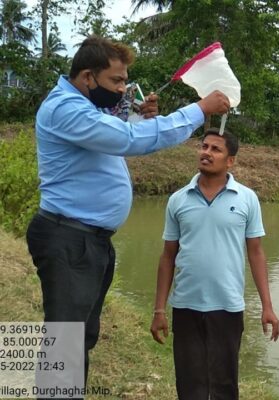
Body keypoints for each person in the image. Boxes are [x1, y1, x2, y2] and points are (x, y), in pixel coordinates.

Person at [25, 35, 230, 386]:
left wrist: (138, 116)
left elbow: (121, 133)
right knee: (65, 345)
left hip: (89, 241)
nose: (123, 89)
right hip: (68, 238)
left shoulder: (87, 108)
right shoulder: (65, 108)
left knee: (80, 338)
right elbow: (128, 140)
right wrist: (200, 110)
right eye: (116, 81)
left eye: (124, 81)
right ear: (87, 77)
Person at [150, 128, 279, 400]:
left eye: (215, 149)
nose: (206, 153)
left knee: (224, 385)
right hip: (186, 304)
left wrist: (267, 306)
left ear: (230, 160)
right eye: (204, 146)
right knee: (189, 384)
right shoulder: (178, 199)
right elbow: (167, 256)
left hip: (228, 305)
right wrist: (159, 309)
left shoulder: (246, 199)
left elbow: (256, 253)